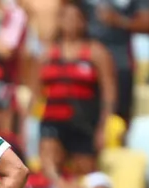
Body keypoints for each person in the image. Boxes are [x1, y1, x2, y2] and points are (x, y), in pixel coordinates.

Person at [34, 0, 116, 178]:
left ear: (83, 21)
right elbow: (36, 93)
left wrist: (103, 126)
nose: (70, 22)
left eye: (75, 17)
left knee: (84, 172)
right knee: (51, 169)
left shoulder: (96, 52)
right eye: (65, 17)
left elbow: (109, 93)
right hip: (52, 120)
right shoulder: (47, 54)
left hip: (84, 121)